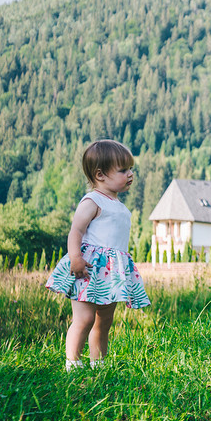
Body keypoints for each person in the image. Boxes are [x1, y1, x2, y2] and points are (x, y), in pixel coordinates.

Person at [46, 139, 150, 371]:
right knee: (84, 319)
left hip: (109, 274)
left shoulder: (120, 206)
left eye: (131, 169)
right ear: (100, 174)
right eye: (123, 170)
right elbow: (77, 231)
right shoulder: (92, 201)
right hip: (89, 269)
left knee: (104, 322)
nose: (130, 174)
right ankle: (72, 363)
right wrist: (75, 258)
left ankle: (99, 364)